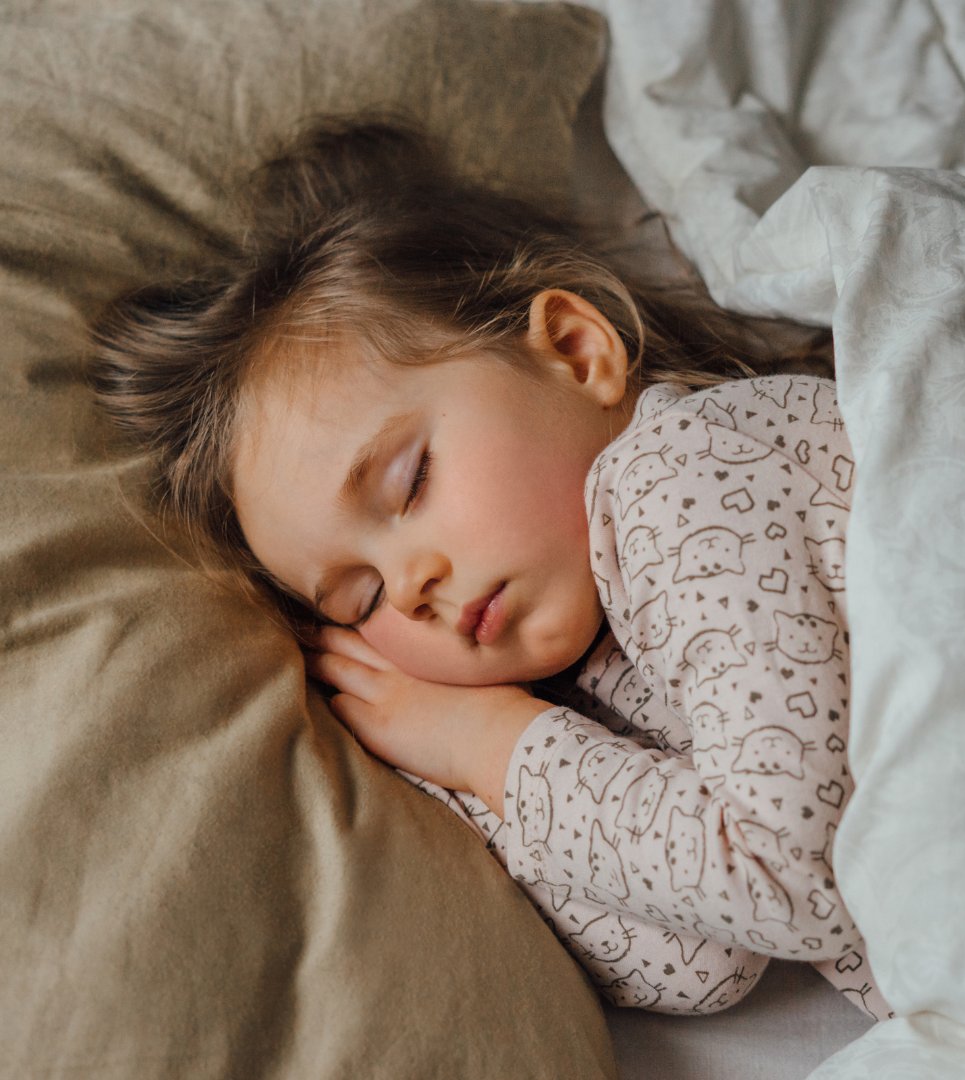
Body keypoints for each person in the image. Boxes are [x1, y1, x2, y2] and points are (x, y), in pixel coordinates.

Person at [90, 117, 891, 1020]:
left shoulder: (690, 472)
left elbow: (791, 876)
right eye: (360, 597)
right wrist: (459, 770)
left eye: (410, 481)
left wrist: (490, 750)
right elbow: (696, 961)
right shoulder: (598, 667)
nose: (410, 586)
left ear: (575, 353)